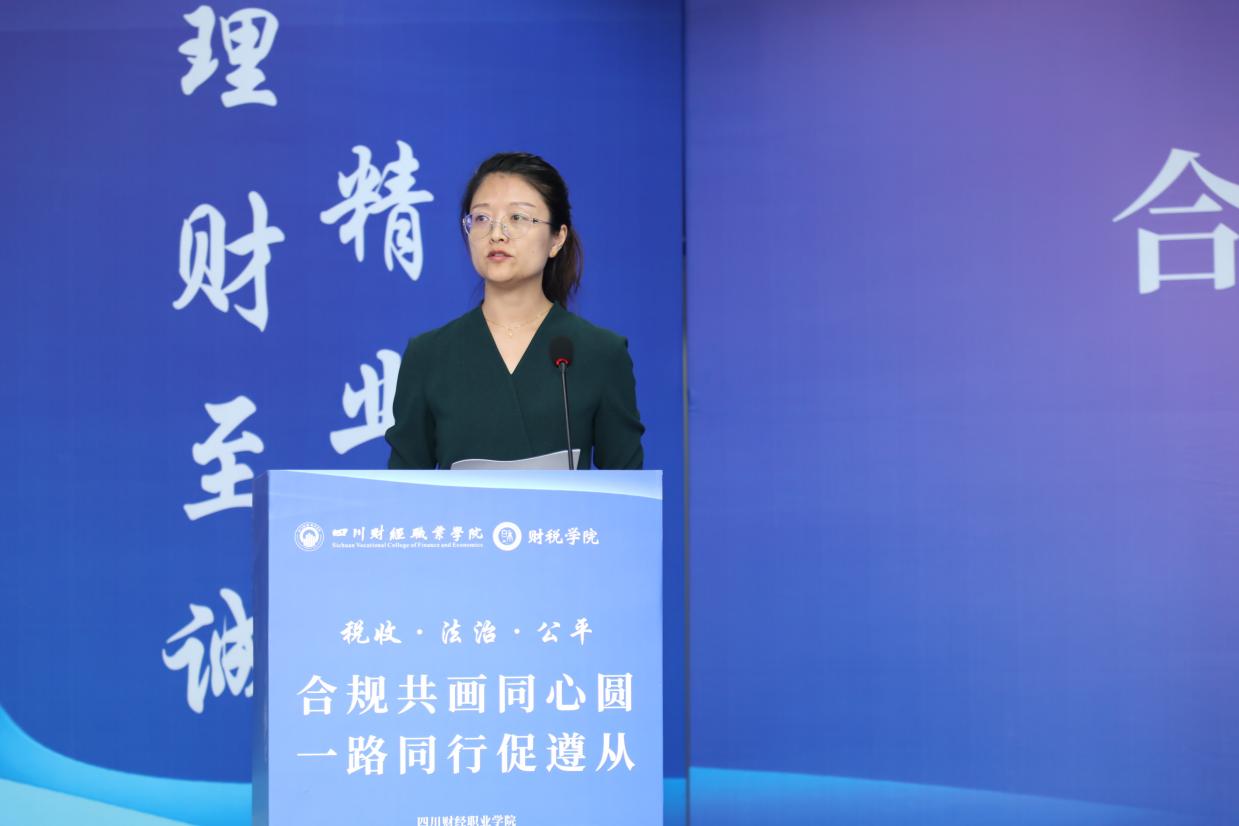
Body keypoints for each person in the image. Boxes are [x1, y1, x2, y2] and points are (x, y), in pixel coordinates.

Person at [384, 152, 644, 469]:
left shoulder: (600, 353)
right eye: (482, 218)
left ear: (557, 239)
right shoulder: (428, 355)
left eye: (518, 218)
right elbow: (403, 488)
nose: (497, 234)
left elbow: (627, 489)